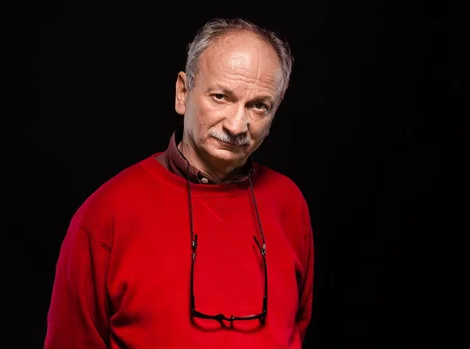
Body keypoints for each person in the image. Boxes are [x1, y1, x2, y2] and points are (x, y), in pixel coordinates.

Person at [44, 17, 314, 348]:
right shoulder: (106, 214)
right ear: (183, 93)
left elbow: (297, 327)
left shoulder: (288, 204)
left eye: (258, 106)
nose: (236, 124)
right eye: (220, 97)